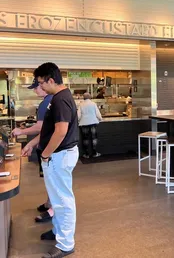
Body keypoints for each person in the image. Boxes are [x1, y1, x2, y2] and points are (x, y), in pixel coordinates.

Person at [22, 62, 79, 258]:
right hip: (56, 155)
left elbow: (61, 132)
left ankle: (65, 244)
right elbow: (49, 130)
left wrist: (45, 154)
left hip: (59, 155)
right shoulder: (56, 98)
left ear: (51, 80)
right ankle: (57, 231)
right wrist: (32, 144)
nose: (40, 87)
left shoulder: (61, 99)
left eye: (41, 83)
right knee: (56, 199)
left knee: (63, 200)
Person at [12, 78, 54, 223]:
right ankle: (50, 204)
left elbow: (40, 128)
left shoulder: (45, 103)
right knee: (51, 179)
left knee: (53, 181)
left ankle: (52, 211)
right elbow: (46, 130)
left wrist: (20, 131)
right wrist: (31, 144)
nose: (35, 90)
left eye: (37, 86)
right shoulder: (53, 100)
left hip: (51, 150)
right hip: (51, 148)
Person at [78, 92, 102, 159]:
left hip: (84, 123)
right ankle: (94, 153)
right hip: (93, 122)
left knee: (85, 138)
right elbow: (98, 113)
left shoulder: (81, 104)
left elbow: (78, 115)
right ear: (90, 97)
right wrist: (100, 119)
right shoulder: (93, 104)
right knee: (94, 138)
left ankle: (87, 154)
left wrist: (77, 121)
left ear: (84, 97)